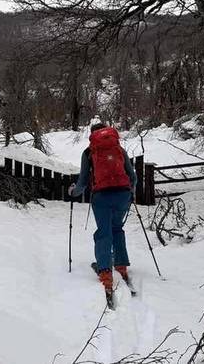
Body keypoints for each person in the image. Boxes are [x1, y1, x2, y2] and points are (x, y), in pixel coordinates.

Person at [69, 123, 137, 307]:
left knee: (104, 232)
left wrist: (73, 192)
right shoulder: (119, 149)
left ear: (92, 136)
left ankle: (105, 272)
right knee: (117, 229)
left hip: (102, 197)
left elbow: (83, 182)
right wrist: (129, 192)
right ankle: (121, 266)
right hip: (122, 195)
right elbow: (132, 176)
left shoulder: (89, 153)